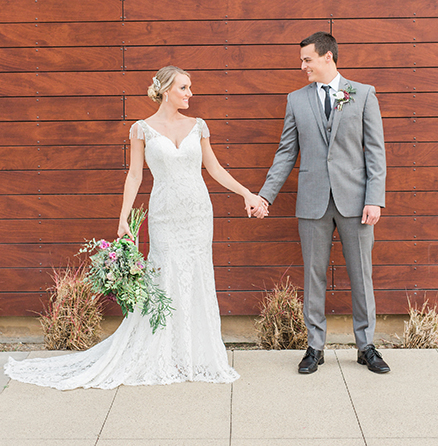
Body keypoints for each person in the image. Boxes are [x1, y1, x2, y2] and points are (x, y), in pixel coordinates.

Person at [5, 66, 268, 389]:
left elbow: (213, 168)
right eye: (184, 88)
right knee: (164, 276)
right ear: (168, 89)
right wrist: (123, 217)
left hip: (198, 213)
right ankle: (163, 352)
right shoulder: (141, 129)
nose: (190, 94)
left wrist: (247, 193)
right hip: (164, 214)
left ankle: (195, 354)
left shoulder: (198, 126)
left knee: (197, 275)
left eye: (190, 88)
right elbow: (135, 175)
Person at [259, 32, 390, 375]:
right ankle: (314, 347)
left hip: (356, 202)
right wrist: (265, 195)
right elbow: (286, 153)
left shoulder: (362, 94)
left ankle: (366, 346)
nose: (302, 66)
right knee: (313, 275)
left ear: (328, 58)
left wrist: (375, 199)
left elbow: (375, 152)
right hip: (313, 201)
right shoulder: (296, 100)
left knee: (361, 274)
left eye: (307, 60)